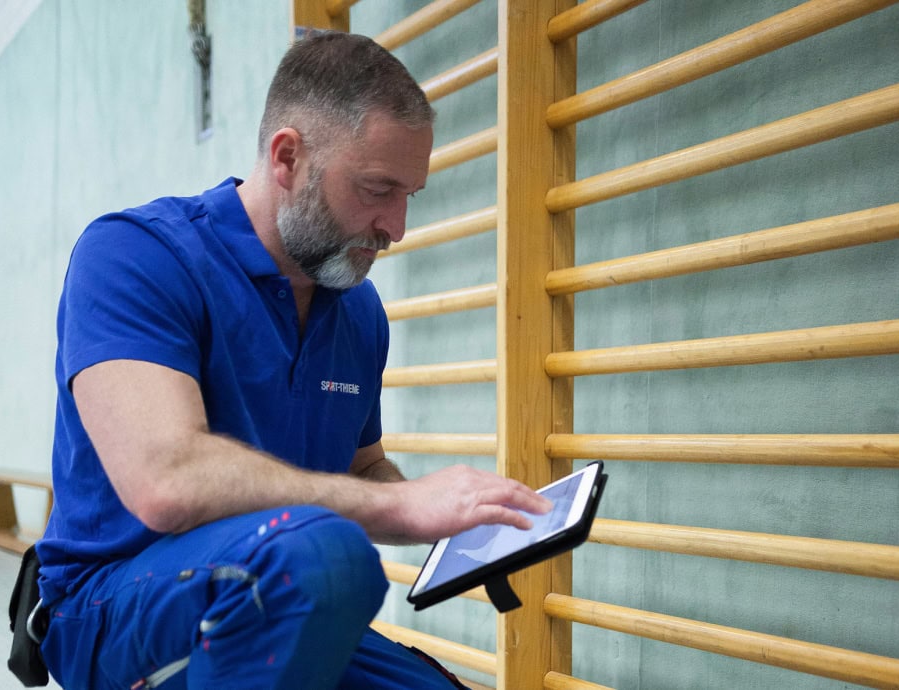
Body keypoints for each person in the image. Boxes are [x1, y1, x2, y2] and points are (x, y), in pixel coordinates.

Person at [33, 30, 550, 690]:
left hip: (275, 587)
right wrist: (401, 509)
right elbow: (168, 480)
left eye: (408, 196)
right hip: (111, 607)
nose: (396, 227)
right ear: (286, 158)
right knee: (325, 557)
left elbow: (362, 470)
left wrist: (457, 525)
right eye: (377, 188)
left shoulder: (357, 311)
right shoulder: (135, 256)